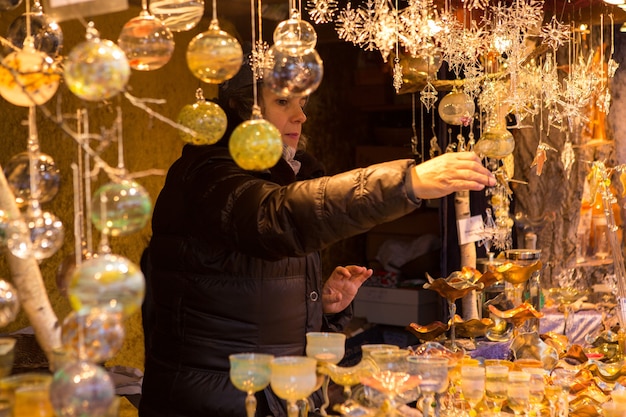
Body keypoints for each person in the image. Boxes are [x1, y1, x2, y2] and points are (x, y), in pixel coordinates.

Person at [138, 60, 495, 417]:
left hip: (271, 397)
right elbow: (277, 217)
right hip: (215, 402)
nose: (300, 117)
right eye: (283, 103)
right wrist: (406, 183)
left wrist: (319, 307)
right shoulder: (207, 175)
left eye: (302, 104)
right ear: (243, 110)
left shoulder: (277, 175)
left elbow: (246, 289)